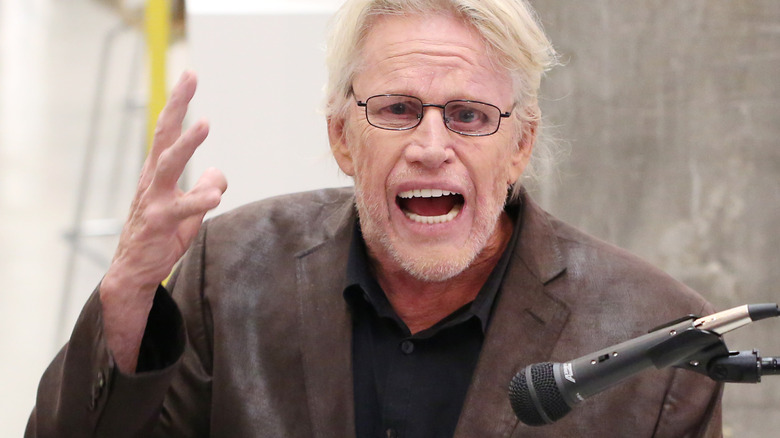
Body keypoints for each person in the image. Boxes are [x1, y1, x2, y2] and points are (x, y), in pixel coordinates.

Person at [27, 0, 722, 437]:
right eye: (396, 109)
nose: (430, 147)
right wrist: (127, 296)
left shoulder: (654, 339)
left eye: (469, 117)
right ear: (341, 138)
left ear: (520, 146)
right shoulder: (227, 271)